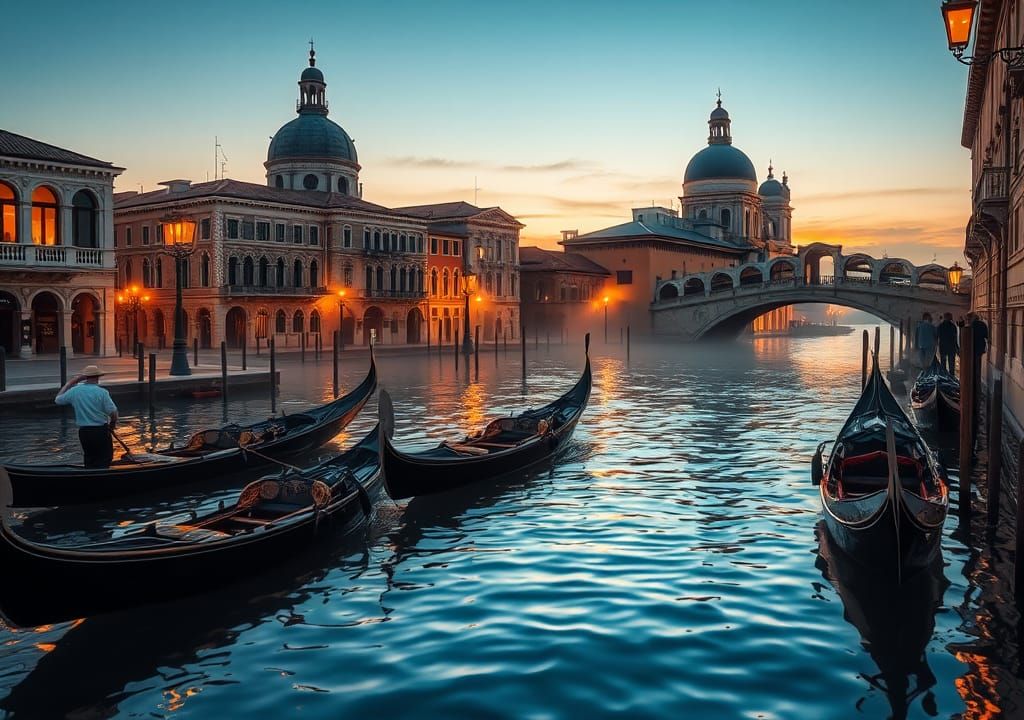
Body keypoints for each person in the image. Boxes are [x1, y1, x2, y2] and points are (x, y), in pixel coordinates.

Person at [54, 364, 118, 469]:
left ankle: (89, 478)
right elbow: (113, 413)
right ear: (98, 377)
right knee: (104, 459)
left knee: (89, 459)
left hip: (84, 432)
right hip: (100, 431)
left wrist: (71, 382)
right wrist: (112, 424)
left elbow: (58, 399)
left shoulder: (75, 391)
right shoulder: (102, 392)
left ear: (85, 377)